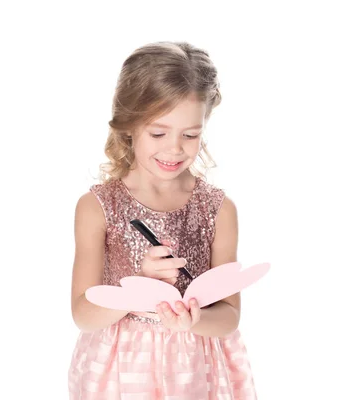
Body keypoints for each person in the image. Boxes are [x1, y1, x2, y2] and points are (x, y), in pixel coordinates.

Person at [68, 41, 257, 399]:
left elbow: (230, 316)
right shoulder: (97, 207)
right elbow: (83, 315)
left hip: (196, 369)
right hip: (122, 370)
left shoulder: (218, 209)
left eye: (190, 135)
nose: (175, 148)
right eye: (158, 133)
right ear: (128, 126)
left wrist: (196, 319)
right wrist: (138, 285)